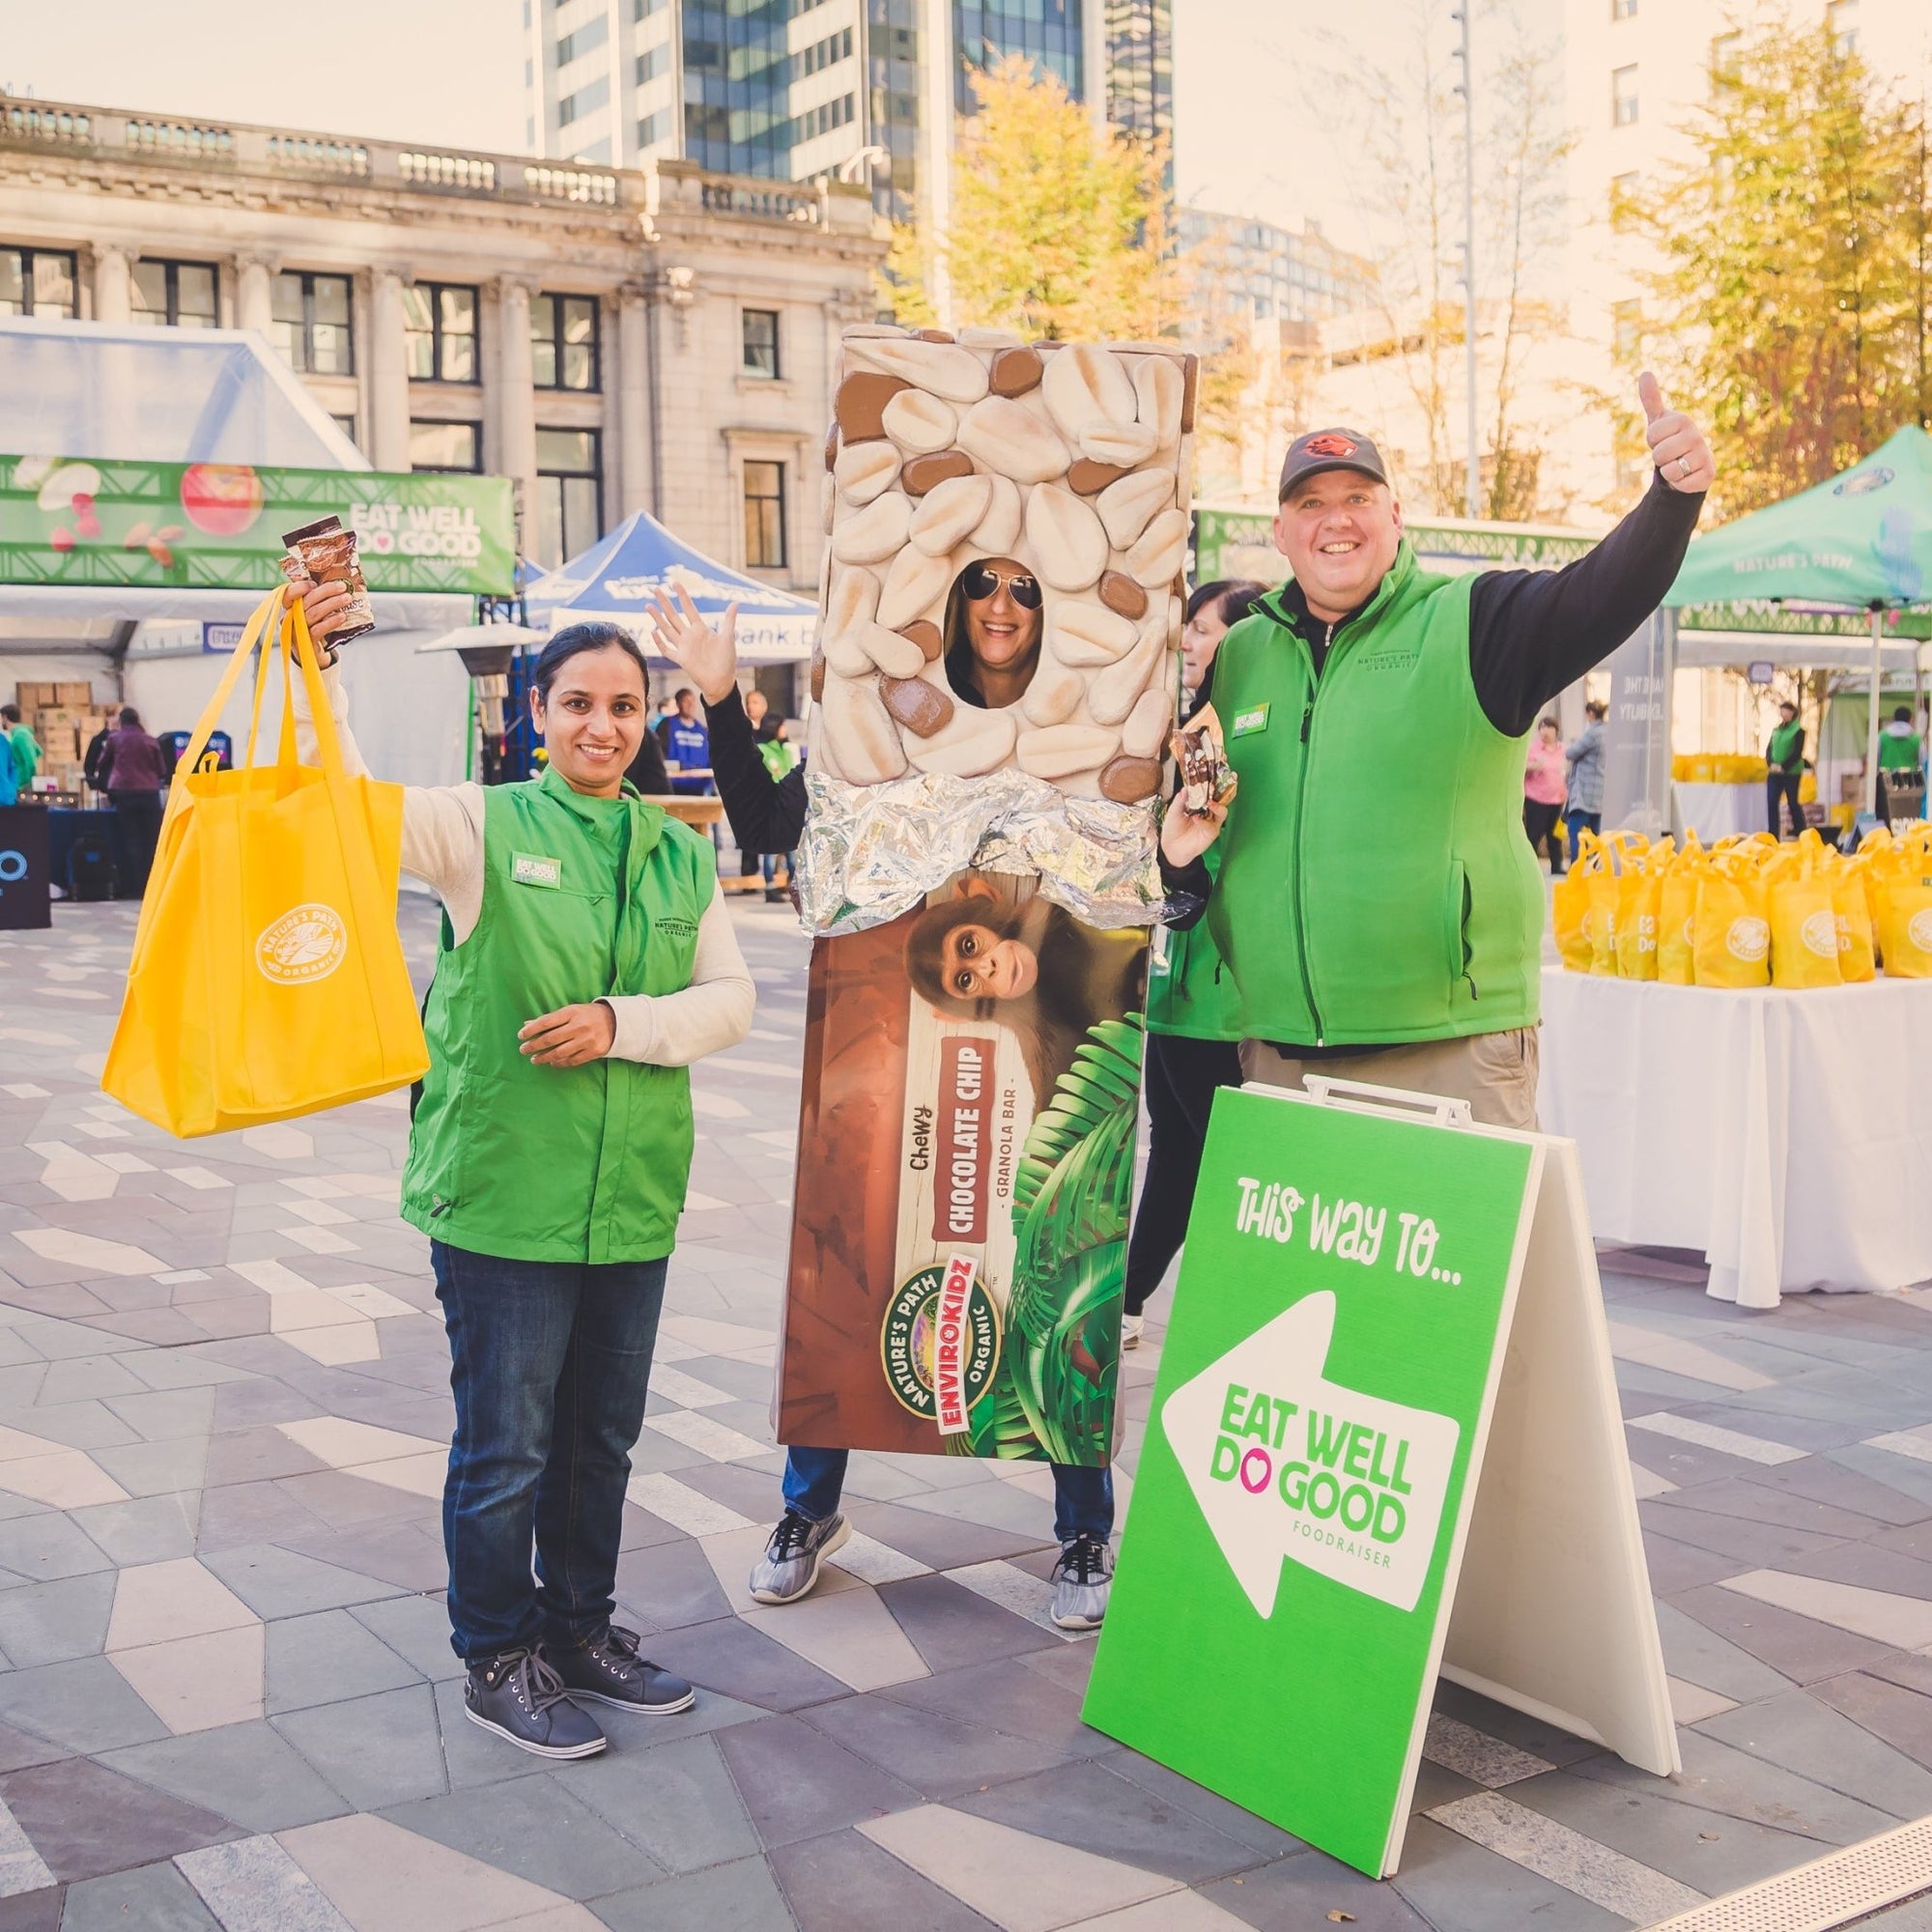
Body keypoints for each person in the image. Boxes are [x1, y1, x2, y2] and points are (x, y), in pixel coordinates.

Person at [288, 578, 755, 1762]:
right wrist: (319, 669)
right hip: (502, 1196)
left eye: (625, 706)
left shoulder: (673, 847)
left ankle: (580, 1627)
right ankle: (496, 1652)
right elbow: (343, 808)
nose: (602, 726)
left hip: (629, 1195)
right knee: (506, 1448)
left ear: (647, 718)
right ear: (535, 711)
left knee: (599, 1439)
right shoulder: (478, 826)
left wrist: (621, 1020)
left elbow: (731, 999)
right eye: (578, 703)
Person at [644, 575, 1121, 1631]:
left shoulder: (1087, 731)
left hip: (1039, 1049)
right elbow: (770, 824)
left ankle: (1083, 1525)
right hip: (889, 1045)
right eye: (982, 586)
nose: (1001, 604)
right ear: (948, 606)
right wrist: (722, 700)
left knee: (1055, 1266)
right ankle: (808, 1508)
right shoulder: (871, 740)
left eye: (1024, 590)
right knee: (850, 1254)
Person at [1160, 374, 1713, 1129]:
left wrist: (1672, 501)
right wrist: (1180, 866)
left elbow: (1599, 595)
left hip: (1448, 1050)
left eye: (1358, 497)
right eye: (1311, 503)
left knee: (1471, 1251)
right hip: (1278, 1054)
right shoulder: (1242, 653)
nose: (1336, 520)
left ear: (1395, 515)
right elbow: (1204, 816)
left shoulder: (1472, 621)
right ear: (1281, 531)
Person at [1120, 580, 1263, 1350]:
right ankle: (1134, 1302)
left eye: (1204, 630)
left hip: (1221, 994)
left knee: (1220, 1161)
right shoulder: (1188, 731)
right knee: (1174, 1147)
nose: (1189, 643)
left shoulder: (1240, 736)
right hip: (1174, 985)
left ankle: (1225, 1317)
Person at [98, 707, 169, 898]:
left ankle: (134, 886)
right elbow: (162, 769)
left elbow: (102, 762)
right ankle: (155, 885)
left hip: (125, 792)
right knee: (151, 840)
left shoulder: (115, 739)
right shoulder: (150, 740)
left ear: (121, 721)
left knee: (131, 840)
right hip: (149, 793)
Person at [745, 691, 800, 899]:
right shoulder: (763, 749)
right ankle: (770, 886)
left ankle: (793, 885)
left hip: (787, 804)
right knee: (772, 851)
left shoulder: (786, 749)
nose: (785, 729)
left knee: (792, 851)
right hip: (771, 803)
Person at [1563, 700, 1607, 866]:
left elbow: (1571, 753)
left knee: (1574, 831)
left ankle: (1575, 867)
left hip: (1585, 793)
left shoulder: (1593, 732)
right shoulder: (1609, 731)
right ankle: (1597, 867)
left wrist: (1574, 742)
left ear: (1590, 714)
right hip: (1600, 794)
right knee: (1597, 834)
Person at [1522, 716, 1568, 875]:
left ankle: (1557, 866)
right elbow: (1520, 767)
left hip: (1557, 799)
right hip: (1536, 798)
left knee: (1554, 835)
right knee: (1534, 834)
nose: (1544, 731)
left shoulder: (1563, 749)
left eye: (1548, 727)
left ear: (1556, 730)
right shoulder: (1533, 749)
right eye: (1541, 728)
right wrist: (1533, 766)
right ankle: (1529, 868)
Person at [1877, 703, 1922, 827]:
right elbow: (1922, 761)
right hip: (1909, 783)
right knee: (1907, 816)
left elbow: (1876, 758)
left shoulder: (1882, 736)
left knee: (1886, 815)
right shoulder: (1916, 738)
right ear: (1910, 719)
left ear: (1894, 718)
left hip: (1886, 782)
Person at [1766, 699, 1804, 838]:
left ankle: (1801, 830)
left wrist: (1784, 767)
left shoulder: (1798, 730)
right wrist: (1770, 763)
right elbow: (1769, 749)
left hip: (1791, 773)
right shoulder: (1776, 730)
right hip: (1775, 772)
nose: (1783, 713)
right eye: (1782, 710)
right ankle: (1773, 834)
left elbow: (1797, 752)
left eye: (1786, 710)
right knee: (1771, 801)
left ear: (1792, 712)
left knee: (1792, 802)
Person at [1, 704, 39, 792]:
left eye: (1, 718)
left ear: (5, 717)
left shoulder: (21, 735)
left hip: (22, 786)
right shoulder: (16, 735)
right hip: (18, 784)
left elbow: (31, 762)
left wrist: (30, 786)